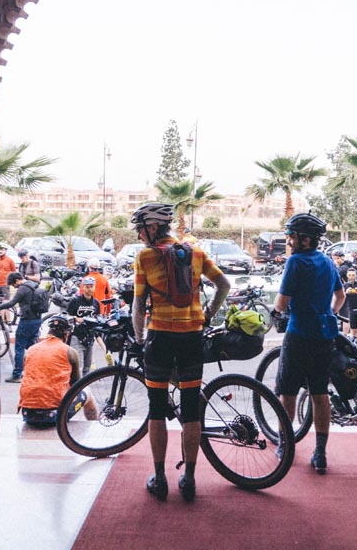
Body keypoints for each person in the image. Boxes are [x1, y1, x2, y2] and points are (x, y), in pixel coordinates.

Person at [130, 202, 230, 503]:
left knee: (157, 408)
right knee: (190, 409)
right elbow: (223, 284)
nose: (138, 235)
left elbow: (138, 305)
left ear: (151, 227)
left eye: (139, 229)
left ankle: (160, 479)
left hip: (160, 338)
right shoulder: (196, 252)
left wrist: (139, 338)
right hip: (192, 339)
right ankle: (189, 479)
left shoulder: (145, 257)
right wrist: (209, 314)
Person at [272, 212, 345, 476]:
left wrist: (277, 309)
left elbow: (281, 302)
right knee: (319, 393)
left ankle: (285, 445)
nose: (289, 240)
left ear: (303, 239)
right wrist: (330, 313)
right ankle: (320, 453)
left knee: (288, 391)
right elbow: (340, 296)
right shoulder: (327, 262)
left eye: (291, 235)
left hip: (299, 332)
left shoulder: (296, 262)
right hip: (325, 333)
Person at [19, 315, 85, 427]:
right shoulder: (70, 351)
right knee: (85, 393)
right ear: (66, 334)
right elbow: (76, 385)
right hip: (55, 415)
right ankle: (93, 426)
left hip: (27, 413)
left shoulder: (30, 350)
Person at [0, 270, 49, 383]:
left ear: (18, 280)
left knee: (19, 348)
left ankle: (17, 374)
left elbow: (11, 303)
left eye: (14, 284)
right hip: (37, 320)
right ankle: (39, 371)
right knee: (32, 347)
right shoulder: (33, 284)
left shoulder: (23, 288)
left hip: (26, 321)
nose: (14, 287)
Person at [67, 277, 102, 377]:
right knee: (78, 367)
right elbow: (67, 317)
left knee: (87, 367)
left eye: (91, 287)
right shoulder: (75, 301)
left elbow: (97, 322)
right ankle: (77, 390)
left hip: (90, 338)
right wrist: (76, 318)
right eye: (87, 287)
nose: (89, 289)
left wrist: (103, 346)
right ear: (83, 288)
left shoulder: (96, 303)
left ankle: (84, 389)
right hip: (76, 336)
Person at [342, 269, 357, 338]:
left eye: (353, 275)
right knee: (354, 331)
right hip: (351, 310)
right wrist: (346, 293)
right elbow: (341, 298)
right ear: (347, 276)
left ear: (356, 276)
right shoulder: (345, 286)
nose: (351, 277)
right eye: (349, 275)